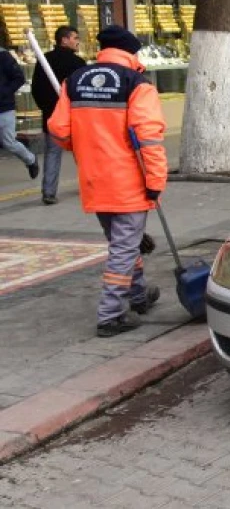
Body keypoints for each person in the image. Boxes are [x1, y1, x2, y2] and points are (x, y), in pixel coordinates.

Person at [48, 25, 168, 338]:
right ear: (131, 52)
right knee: (124, 248)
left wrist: (86, 146)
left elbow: (59, 131)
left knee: (124, 243)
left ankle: (138, 295)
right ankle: (111, 314)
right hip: (129, 180)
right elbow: (149, 139)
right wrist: (156, 181)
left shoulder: (74, 81)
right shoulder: (136, 83)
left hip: (94, 178)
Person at [31, 26, 87, 205]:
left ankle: (48, 191)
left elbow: (36, 89)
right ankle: (90, 185)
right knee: (83, 153)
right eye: (75, 37)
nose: (77, 41)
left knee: (53, 153)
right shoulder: (78, 63)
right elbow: (83, 90)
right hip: (75, 115)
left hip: (52, 116)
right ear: (64, 40)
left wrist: (48, 109)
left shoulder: (44, 60)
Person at [0, 42, 35, 179]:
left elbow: (19, 78)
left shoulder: (3, 56)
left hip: (4, 107)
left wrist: (4, 93)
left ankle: (30, 160)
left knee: (9, 142)